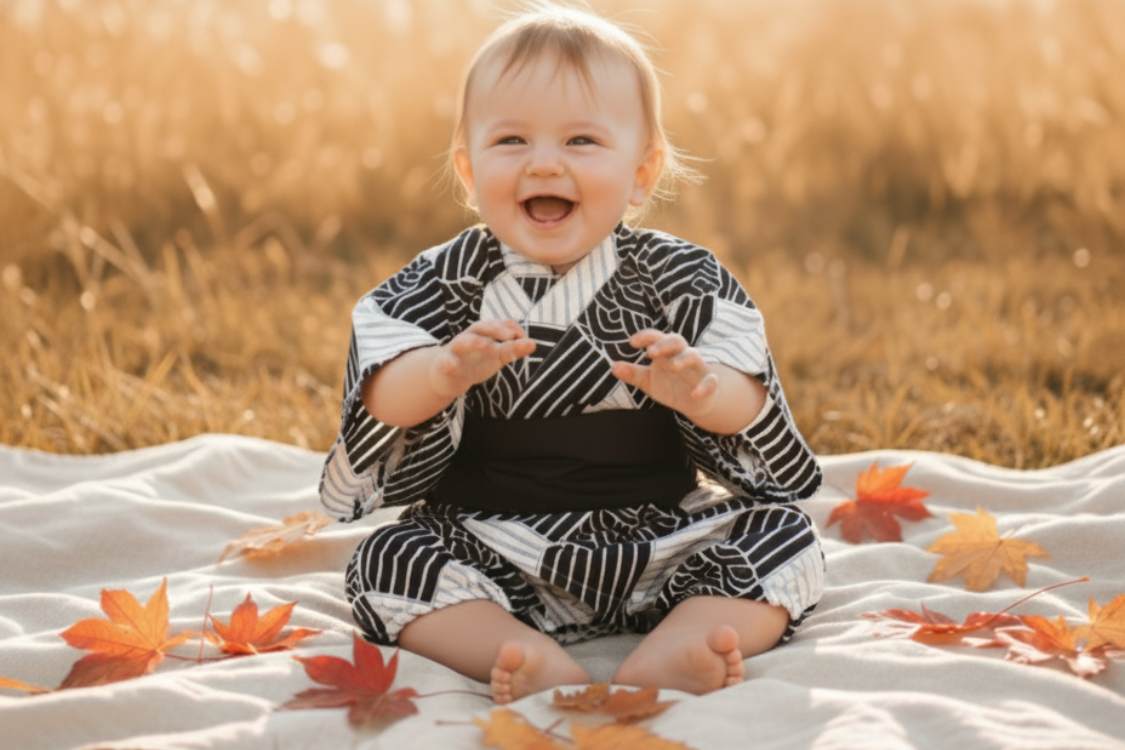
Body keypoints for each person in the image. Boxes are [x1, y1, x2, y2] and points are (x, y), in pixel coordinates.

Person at [318, 2, 826, 704]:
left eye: (582, 140)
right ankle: (514, 649)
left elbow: (751, 402)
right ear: (467, 172)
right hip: (492, 543)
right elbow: (380, 390)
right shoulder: (443, 280)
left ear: (641, 172)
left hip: (661, 535)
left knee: (784, 536)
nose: (544, 162)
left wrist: (703, 391)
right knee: (386, 561)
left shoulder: (681, 277)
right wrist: (441, 372)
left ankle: (686, 638)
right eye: (511, 141)